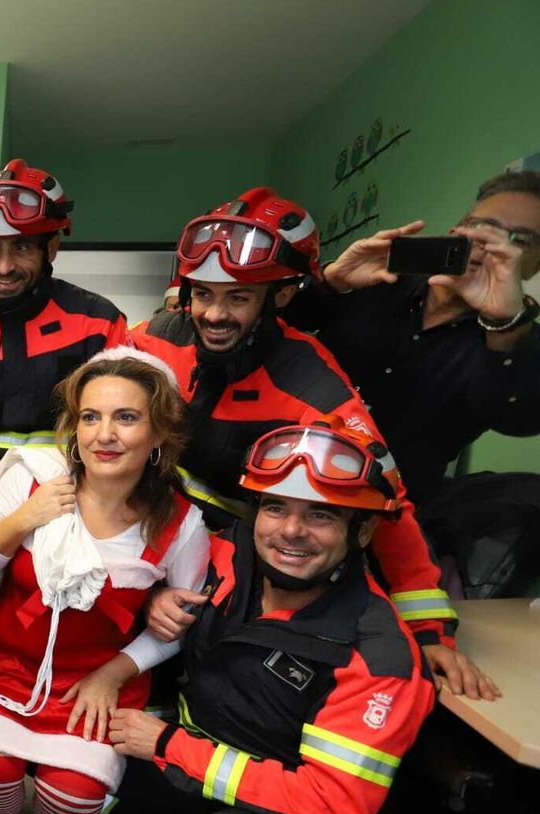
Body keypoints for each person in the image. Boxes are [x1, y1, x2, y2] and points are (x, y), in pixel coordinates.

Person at [109, 422, 436, 814]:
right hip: (191, 747)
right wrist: (154, 601)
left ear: (362, 531)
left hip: (282, 809)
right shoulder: (228, 555)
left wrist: (170, 747)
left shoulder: (379, 657)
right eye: (275, 507)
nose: (289, 531)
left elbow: (334, 804)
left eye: (321, 516)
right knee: (81, 765)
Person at [131, 187, 493, 698]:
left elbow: (388, 505)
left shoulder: (316, 388)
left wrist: (430, 632)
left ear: (279, 296)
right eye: (204, 294)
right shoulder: (158, 335)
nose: (213, 315)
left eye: (238, 297)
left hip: (237, 569)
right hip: (148, 539)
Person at [0, 349, 208, 814]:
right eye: (90, 418)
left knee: (75, 790)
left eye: (126, 418)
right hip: (9, 661)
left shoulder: (180, 524)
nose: (104, 435)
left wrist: (114, 673)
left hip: (99, 677)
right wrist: (22, 520)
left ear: (158, 430)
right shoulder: (36, 477)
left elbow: (176, 629)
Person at [284, 169, 540, 506]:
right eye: (484, 228)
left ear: (534, 266)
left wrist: (503, 324)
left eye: (519, 241)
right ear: (457, 231)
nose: (491, 246)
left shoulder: (517, 341)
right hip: (281, 465)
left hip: (381, 511)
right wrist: (332, 282)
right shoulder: (380, 279)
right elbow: (272, 322)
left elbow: (518, 419)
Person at [0, 160, 129, 513]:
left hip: (74, 504)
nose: (3, 267)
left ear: (50, 248)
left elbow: (121, 433)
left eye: (20, 247)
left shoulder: (99, 324)